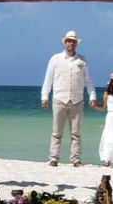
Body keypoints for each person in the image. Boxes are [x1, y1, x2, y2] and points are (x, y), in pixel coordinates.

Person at [41, 30, 96, 167]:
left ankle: (76, 160)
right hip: (59, 98)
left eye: (73, 41)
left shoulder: (82, 60)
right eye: (69, 41)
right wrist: (44, 96)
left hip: (77, 100)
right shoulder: (55, 58)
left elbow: (88, 80)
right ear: (65, 42)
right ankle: (54, 158)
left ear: (76, 43)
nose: (71, 43)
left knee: (76, 133)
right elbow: (48, 78)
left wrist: (92, 95)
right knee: (56, 132)